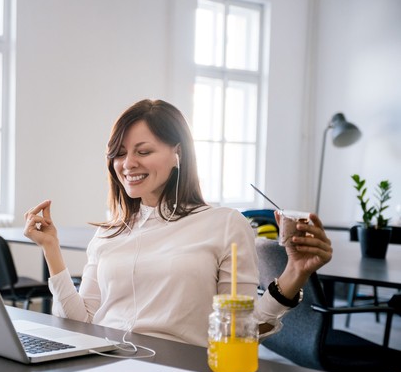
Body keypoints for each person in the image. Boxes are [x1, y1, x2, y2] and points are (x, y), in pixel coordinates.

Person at [23, 99, 333, 347]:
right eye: (119, 153)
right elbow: (79, 323)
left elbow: (242, 329)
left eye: (143, 151)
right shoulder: (108, 235)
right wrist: (52, 250)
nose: (128, 163)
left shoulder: (224, 224)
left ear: (177, 154)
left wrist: (294, 274)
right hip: (104, 364)